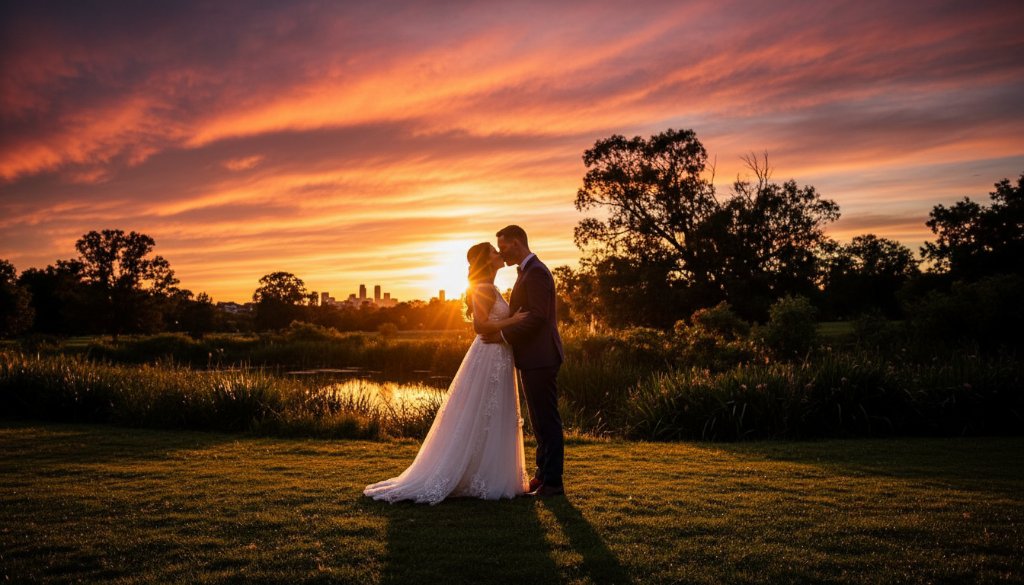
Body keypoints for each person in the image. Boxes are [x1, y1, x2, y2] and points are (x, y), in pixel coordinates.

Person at [363, 242, 530, 504]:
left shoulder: (490, 287)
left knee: (492, 413)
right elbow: (480, 326)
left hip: (498, 356)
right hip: (488, 358)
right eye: (494, 252)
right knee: (483, 410)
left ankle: (486, 474)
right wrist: (513, 321)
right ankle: (472, 475)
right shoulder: (483, 288)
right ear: (486, 262)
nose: (500, 254)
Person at [482, 225, 565, 497]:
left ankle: (553, 483)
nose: (502, 254)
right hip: (533, 357)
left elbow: (538, 316)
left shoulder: (537, 272)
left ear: (516, 243)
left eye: (503, 247)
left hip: (541, 356)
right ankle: (542, 476)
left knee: (547, 420)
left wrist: (503, 335)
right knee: (539, 421)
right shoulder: (527, 272)